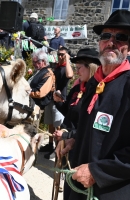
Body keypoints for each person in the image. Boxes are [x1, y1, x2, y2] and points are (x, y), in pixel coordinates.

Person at [60, 10, 130, 200]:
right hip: (78, 187)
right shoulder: (93, 83)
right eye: (106, 36)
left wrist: (97, 172)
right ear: (99, 42)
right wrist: (74, 140)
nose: (111, 42)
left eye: (121, 38)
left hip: (111, 192)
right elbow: (92, 129)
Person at [53, 48, 100, 199]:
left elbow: (89, 126)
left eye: (79, 68)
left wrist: (68, 134)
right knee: (69, 186)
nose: (77, 71)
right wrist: (59, 102)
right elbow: (70, 112)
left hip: (82, 147)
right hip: (69, 144)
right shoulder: (77, 89)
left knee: (79, 190)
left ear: (90, 67)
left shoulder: (98, 92)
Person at [41, 46, 73, 159]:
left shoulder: (66, 67)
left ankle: (57, 148)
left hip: (60, 101)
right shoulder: (57, 67)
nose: (60, 56)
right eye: (59, 54)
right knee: (50, 124)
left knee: (58, 126)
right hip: (51, 99)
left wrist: (67, 59)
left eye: (62, 54)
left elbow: (70, 75)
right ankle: (50, 145)